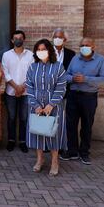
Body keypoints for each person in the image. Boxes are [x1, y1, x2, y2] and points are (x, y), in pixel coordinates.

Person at [61, 37, 104, 165]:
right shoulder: (75, 58)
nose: (84, 47)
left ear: (93, 46)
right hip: (73, 95)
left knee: (87, 126)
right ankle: (72, 151)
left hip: (89, 97)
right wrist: (72, 79)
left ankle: (84, 153)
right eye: (82, 45)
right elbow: (66, 75)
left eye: (87, 45)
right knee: (71, 125)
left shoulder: (101, 60)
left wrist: (86, 79)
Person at [26, 39, 67, 176]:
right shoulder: (32, 67)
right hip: (36, 106)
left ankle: (55, 161)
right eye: (38, 49)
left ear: (49, 50)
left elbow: (61, 88)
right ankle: (40, 159)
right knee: (38, 132)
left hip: (53, 106)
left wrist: (51, 104)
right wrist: (36, 105)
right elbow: (29, 87)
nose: (41, 52)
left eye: (44, 49)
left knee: (53, 133)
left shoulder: (58, 66)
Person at [1, 30, 33, 153]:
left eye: (20, 38)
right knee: (12, 117)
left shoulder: (31, 55)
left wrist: (22, 87)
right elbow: (5, 73)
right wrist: (16, 87)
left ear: (23, 40)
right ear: (12, 41)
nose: (18, 40)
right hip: (11, 92)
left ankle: (23, 142)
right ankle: (11, 140)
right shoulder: (6, 55)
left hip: (26, 92)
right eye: (16, 38)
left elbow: (32, 72)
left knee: (24, 118)